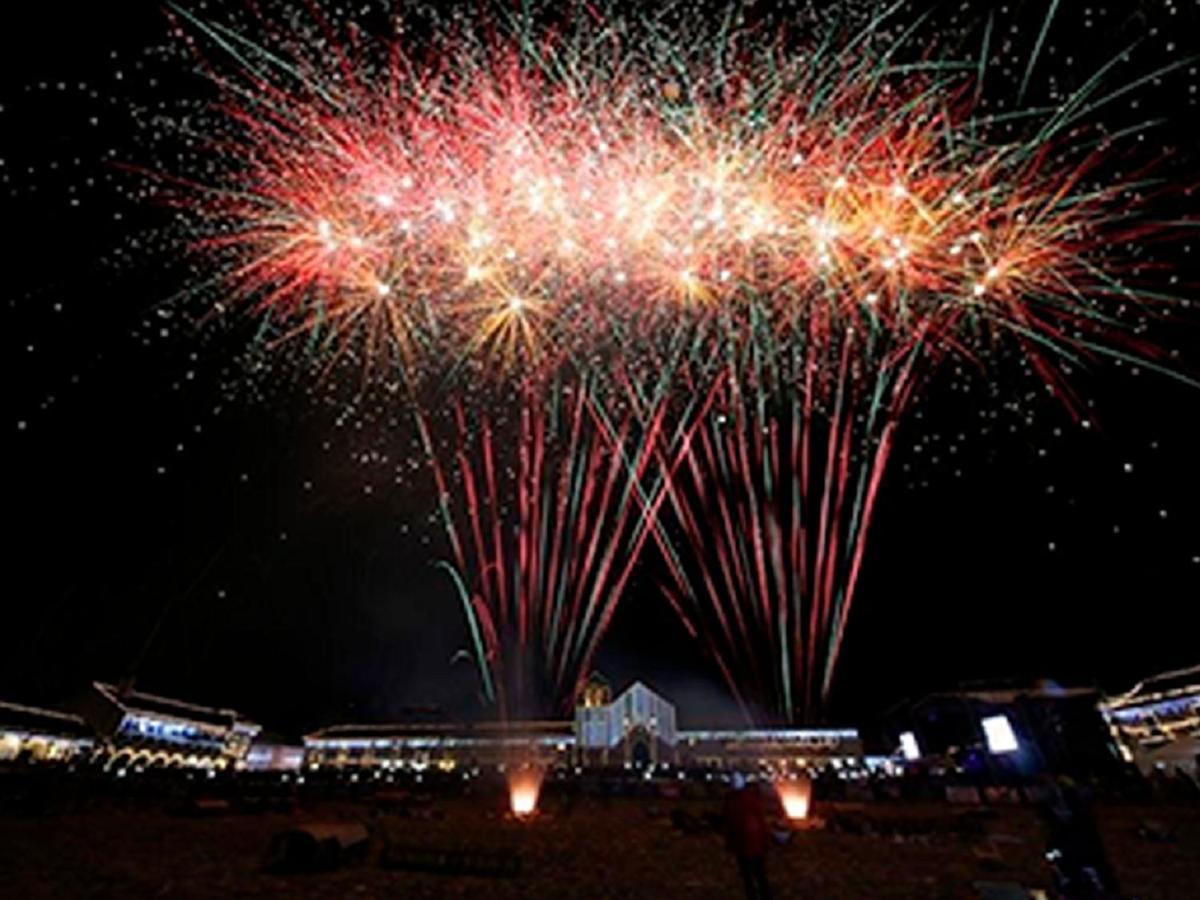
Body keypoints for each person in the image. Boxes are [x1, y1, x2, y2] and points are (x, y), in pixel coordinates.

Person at [723, 772, 772, 900]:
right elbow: (761, 821)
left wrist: (730, 844)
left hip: (742, 843)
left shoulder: (731, 802)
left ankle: (754, 896)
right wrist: (766, 841)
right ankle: (765, 896)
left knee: (747, 876)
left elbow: (730, 825)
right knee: (760, 874)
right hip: (755, 842)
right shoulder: (752, 799)